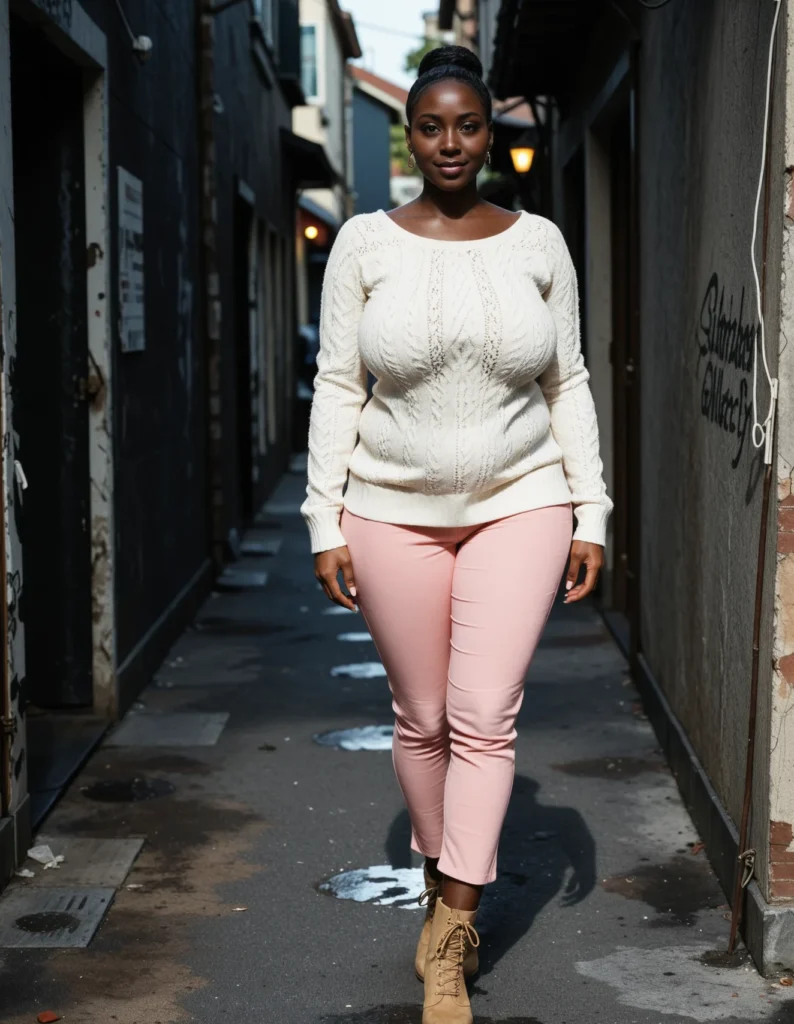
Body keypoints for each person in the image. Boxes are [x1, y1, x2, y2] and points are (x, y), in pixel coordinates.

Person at [301, 45, 612, 1024]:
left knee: (484, 712)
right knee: (422, 717)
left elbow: (566, 383)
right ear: (411, 132)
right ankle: (446, 867)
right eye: (429, 124)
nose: (447, 142)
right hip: (388, 508)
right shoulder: (361, 242)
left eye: (465, 125)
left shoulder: (537, 242)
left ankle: (451, 931)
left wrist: (589, 508)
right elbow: (339, 385)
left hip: (522, 498)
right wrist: (322, 517)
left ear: (488, 132)